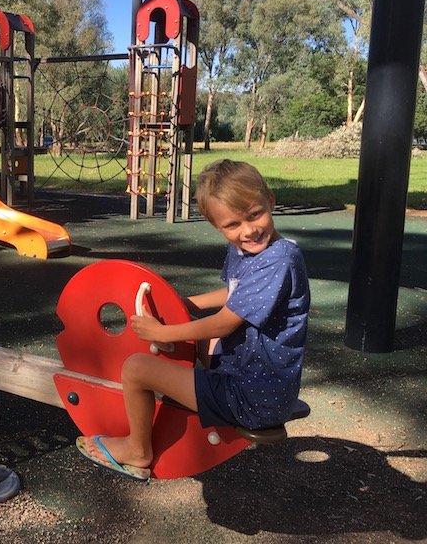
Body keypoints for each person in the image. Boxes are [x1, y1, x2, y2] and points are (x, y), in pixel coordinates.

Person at [76, 159, 310, 481]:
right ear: (217, 226)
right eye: (233, 224)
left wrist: (164, 329)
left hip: (254, 398)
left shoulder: (278, 259)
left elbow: (224, 323)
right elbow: (233, 294)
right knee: (195, 331)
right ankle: (186, 389)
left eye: (255, 214)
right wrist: (183, 305)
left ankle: (137, 449)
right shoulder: (246, 250)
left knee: (135, 369)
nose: (249, 229)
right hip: (253, 379)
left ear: (270, 201)